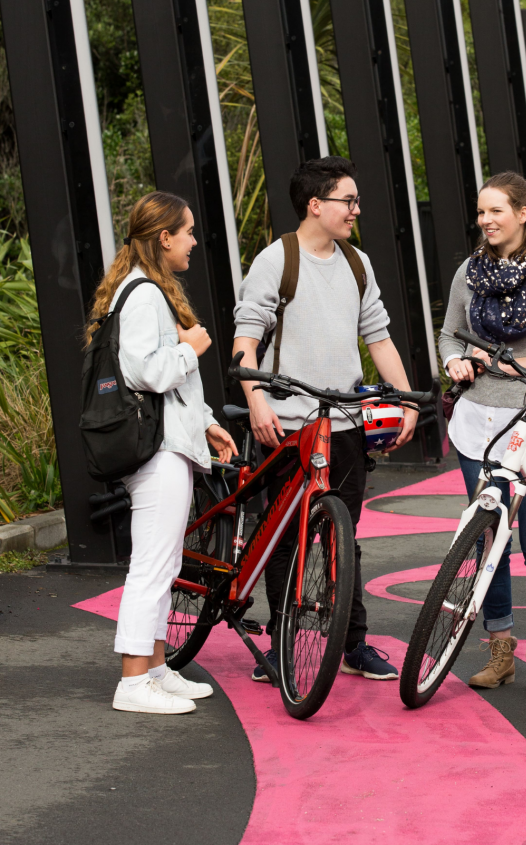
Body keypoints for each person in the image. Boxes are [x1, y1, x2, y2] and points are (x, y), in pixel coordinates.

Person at [232, 155, 418, 683]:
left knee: (343, 537)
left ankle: (353, 643)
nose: (356, 210)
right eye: (348, 200)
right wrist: (257, 400)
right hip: (287, 425)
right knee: (284, 540)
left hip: (345, 426)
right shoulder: (277, 260)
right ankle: (282, 644)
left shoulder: (357, 263)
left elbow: (378, 338)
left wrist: (407, 401)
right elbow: (245, 340)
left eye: (357, 201)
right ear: (315, 205)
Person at [86, 192, 238, 715]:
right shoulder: (146, 294)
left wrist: (207, 422)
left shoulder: (143, 289)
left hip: (166, 442)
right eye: (188, 231)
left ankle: (153, 669)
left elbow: (167, 385)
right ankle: (133, 683)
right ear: (164, 237)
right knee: (152, 566)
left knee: (164, 562)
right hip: (158, 450)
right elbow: (146, 372)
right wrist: (191, 348)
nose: (194, 241)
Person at [439, 172, 526, 695]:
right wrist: (454, 361)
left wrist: (514, 365)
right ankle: (500, 651)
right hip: (475, 420)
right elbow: (448, 335)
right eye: (481, 212)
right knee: (487, 535)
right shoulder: (469, 273)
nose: (485, 220)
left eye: (495, 210)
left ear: (523, 213)